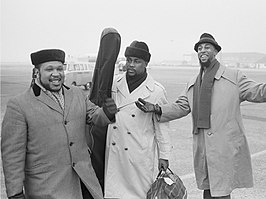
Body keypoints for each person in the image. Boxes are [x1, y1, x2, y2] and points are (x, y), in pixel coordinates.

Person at [136, 33, 266, 199]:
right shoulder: (193, 82)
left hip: (224, 146)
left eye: (207, 47)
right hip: (203, 147)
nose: (202, 51)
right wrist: (156, 108)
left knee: (221, 191)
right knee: (209, 189)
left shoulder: (234, 77)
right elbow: (182, 106)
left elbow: (258, 92)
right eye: (199, 48)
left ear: (216, 52)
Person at [1, 49, 117, 199]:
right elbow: (12, 156)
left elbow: (94, 116)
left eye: (59, 69)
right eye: (49, 69)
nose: (56, 74)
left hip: (84, 183)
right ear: (36, 72)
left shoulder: (76, 94)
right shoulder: (19, 105)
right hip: (47, 189)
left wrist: (107, 112)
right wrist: (15, 193)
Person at [104, 41, 171, 198]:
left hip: (138, 152)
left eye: (137, 61)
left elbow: (162, 126)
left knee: (139, 193)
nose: (131, 65)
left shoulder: (156, 91)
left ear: (146, 63)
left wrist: (164, 155)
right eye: (129, 60)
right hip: (116, 148)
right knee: (113, 193)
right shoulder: (115, 83)